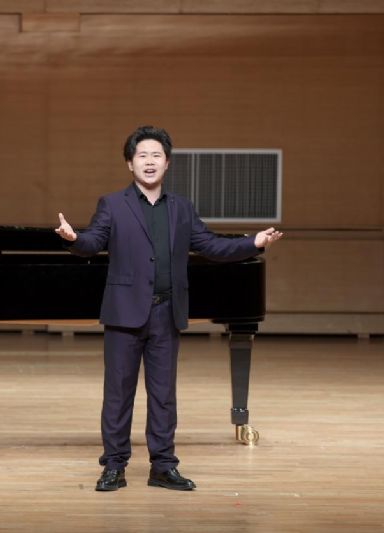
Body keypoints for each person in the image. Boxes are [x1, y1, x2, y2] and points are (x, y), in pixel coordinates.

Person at [55, 126, 282, 492]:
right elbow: (93, 242)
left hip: (166, 313)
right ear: (130, 163)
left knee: (163, 396)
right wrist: (73, 239)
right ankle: (113, 466)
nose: (149, 161)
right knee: (118, 395)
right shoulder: (112, 204)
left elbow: (210, 246)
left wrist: (251, 242)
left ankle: (163, 467)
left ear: (167, 163)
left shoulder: (181, 208)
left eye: (156, 155)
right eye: (142, 155)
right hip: (125, 314)